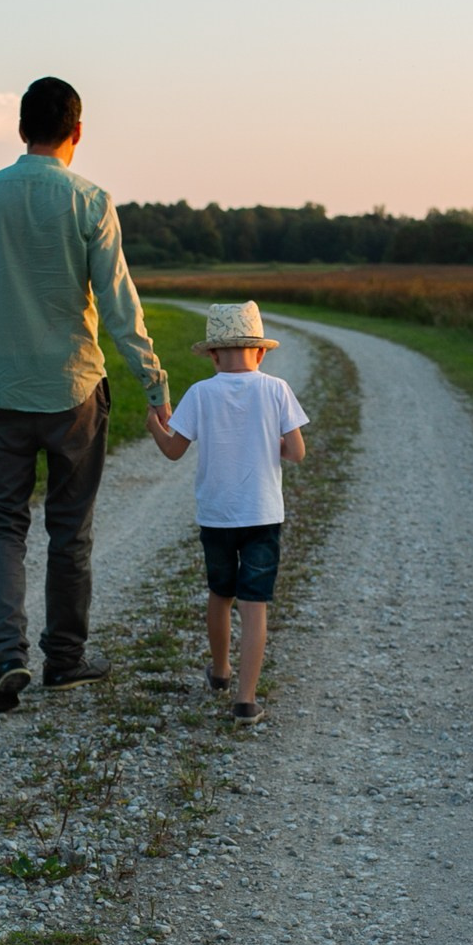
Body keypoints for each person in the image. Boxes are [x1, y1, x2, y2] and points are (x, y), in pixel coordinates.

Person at [0, 76, 172, 713]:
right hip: (74, 392)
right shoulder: (91, 201)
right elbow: (121, 307)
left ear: (21, 130)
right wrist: (155, 383)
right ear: (77, 130)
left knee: (2, 526)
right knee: (70, 530)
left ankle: (7, 658)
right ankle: (64, 660)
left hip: (0, 392)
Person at [144, 302, 308, 724]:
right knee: (255, 605)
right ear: (261, 352)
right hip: (263, 514)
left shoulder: (200, 393)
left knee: (221, 594)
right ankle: (246, 701)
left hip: (217, 516)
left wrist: (155, 426)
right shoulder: (277, 388)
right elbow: (297, 452)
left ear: (213, 355)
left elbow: (174, 451)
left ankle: (219, 671)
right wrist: (264, 444)